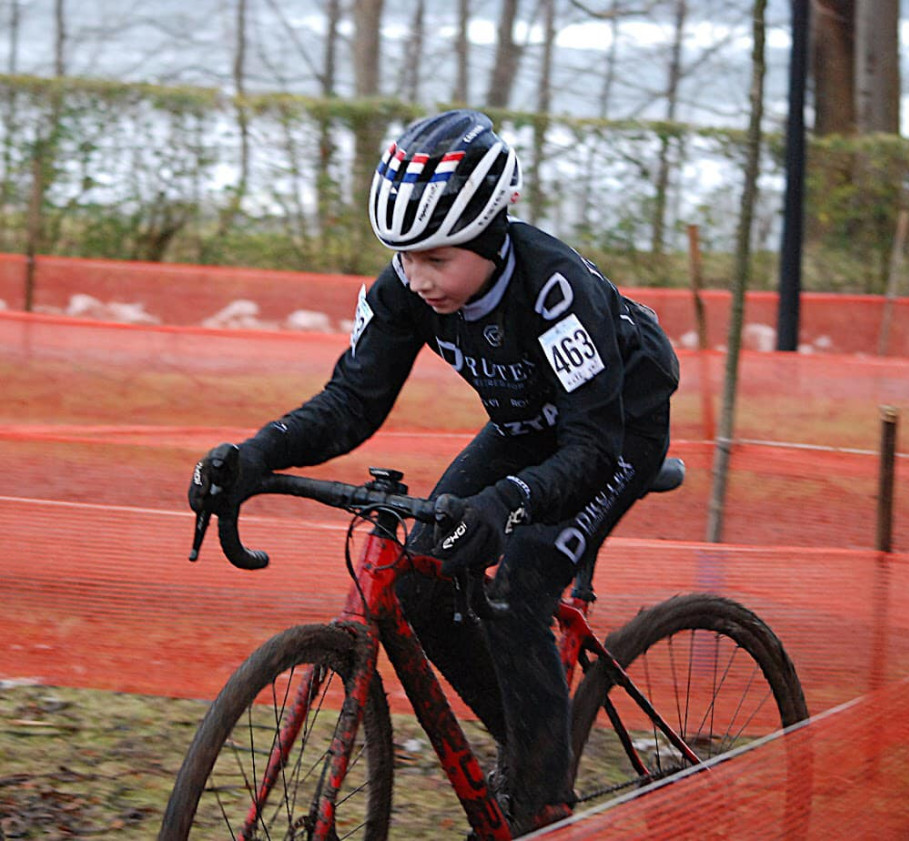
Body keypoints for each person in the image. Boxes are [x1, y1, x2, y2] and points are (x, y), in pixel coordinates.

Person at [189, 108, 679, 836]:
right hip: (525, 427)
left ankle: (543, 807)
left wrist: (508, 501)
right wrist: (256, 454)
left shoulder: (553, 291)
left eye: (436, 259)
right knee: (420, 574)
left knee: (518, 589)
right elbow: (351, 401)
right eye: (403, 256)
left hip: (612, 433)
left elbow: (587, 448)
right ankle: (527, 736)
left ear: (489, 235)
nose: (417, 278)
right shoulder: (404, 287)